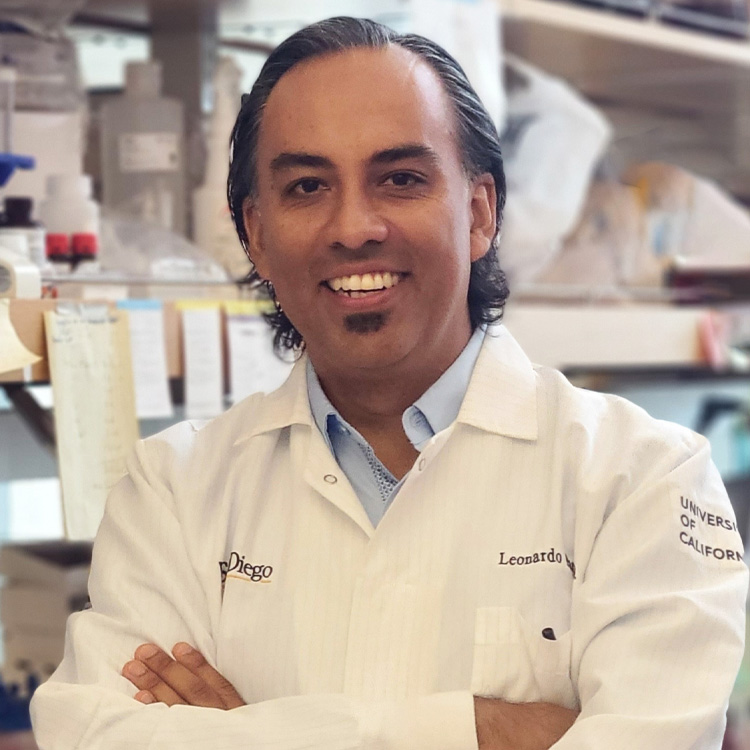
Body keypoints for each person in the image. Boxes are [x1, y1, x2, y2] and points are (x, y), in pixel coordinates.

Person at [31, 16, 747, 750]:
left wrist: (243, 732)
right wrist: (483, 729)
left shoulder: (642, 478)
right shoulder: (174, 491)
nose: (353, 227)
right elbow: (90, 735)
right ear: (258, 236)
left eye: (400, 179)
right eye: (307, 186)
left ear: (479, 212)